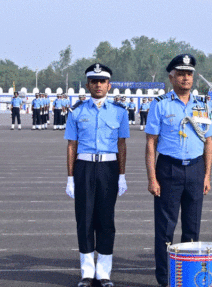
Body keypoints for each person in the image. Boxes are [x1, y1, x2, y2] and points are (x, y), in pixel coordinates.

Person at [144, 54, 212, 287]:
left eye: (189, 74)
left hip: (195, 170)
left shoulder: (202, 105)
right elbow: (150, 143)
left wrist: (206, 175)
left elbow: (208, 142)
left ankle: (188, 276)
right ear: (171, 77)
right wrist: (152, 178)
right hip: (168, 170)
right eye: (181, 74)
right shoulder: (160, 104)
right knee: (165, 229)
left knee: (192, 227)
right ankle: (165, 279)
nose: (186, 78)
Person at [64, 63, 129, 287]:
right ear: (87, 84)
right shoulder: (77, 111)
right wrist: (70, 177)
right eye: (94, 81)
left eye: (102, 81)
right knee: (84, 220)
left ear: (109, 85)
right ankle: (87, 272)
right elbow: (72, 146)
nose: (98, 85)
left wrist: (122, 174)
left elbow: (122, 145)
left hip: (108, 169)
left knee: (106, 220)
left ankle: (104, 272)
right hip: (83, 167)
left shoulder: (119, 112)